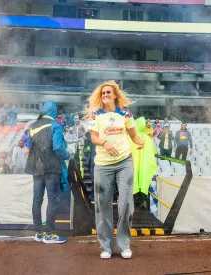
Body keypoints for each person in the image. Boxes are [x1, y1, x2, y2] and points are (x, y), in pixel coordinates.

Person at [86, 80, 144, 259]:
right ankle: (106, 247)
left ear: (115, 95)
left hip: (124, 161)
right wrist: (104, 142)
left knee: (126, 202)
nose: (105, 96)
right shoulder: (96, 115)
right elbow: (94, 137)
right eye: (103, 93)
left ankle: (124, 244)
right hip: (103, 165)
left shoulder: (125, 113)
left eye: (108, 93)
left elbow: (133, 134)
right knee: (103, 205)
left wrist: (139, 141)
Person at [25, 101, 70, 244]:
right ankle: (49, 234)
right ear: (54, 111)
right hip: (51, 168)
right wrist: (68, 155)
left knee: (37, 200)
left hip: (36, 169)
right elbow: (57, 147)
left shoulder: (33, 126)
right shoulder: (55, 125)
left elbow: (28, 146)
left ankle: (38, 233)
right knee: (52, 200)